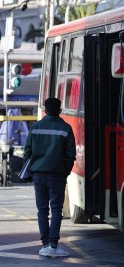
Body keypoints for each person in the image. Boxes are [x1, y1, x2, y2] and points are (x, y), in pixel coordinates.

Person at [24, 97, 76, 257]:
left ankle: (45, 244)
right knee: (56, 210)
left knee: (42, 211)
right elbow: (71, 155)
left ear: (45, 110)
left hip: (38, 174)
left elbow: (27, 152)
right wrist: (65, 171)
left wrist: (31, 171)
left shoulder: (35, 127)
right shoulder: (65, 128)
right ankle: (53, 246)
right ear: (60, 110)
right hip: (57, 176)